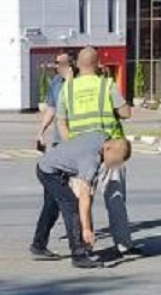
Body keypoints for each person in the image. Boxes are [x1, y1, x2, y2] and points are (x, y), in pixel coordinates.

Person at [56, 47, 142, 260]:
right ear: (97, 64)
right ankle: (123, 245)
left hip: (80, 154)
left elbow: (61, 122)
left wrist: (71, 147)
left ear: (78, 65)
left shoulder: (68, 88)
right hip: (110, 149)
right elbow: (126, 113)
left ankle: (86, 247)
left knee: (83, 200)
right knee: (115, 198)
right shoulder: (106, 84)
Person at [35, 132, 132, 269]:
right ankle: (78, 255)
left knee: (51, 209)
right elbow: (84, 196)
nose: (114, 164)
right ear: (108, 149)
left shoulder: (103, 138)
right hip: (50, 173)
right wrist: (86, 229)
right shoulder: (91, 161)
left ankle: (38, 245)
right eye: (115, 160)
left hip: (48, 165)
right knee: (73, 208)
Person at [29, 52, 76, 261]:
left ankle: (40, 243)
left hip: (77, 146)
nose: (57, 67)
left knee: (64, 199)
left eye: (61, 63)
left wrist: (72, 80)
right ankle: (41, 244)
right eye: (56, 63)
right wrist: (41, 131)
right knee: (58, 199)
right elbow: (52, 108)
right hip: (60, 147)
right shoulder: (56, 82)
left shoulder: (79, 83)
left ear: (71, 64)